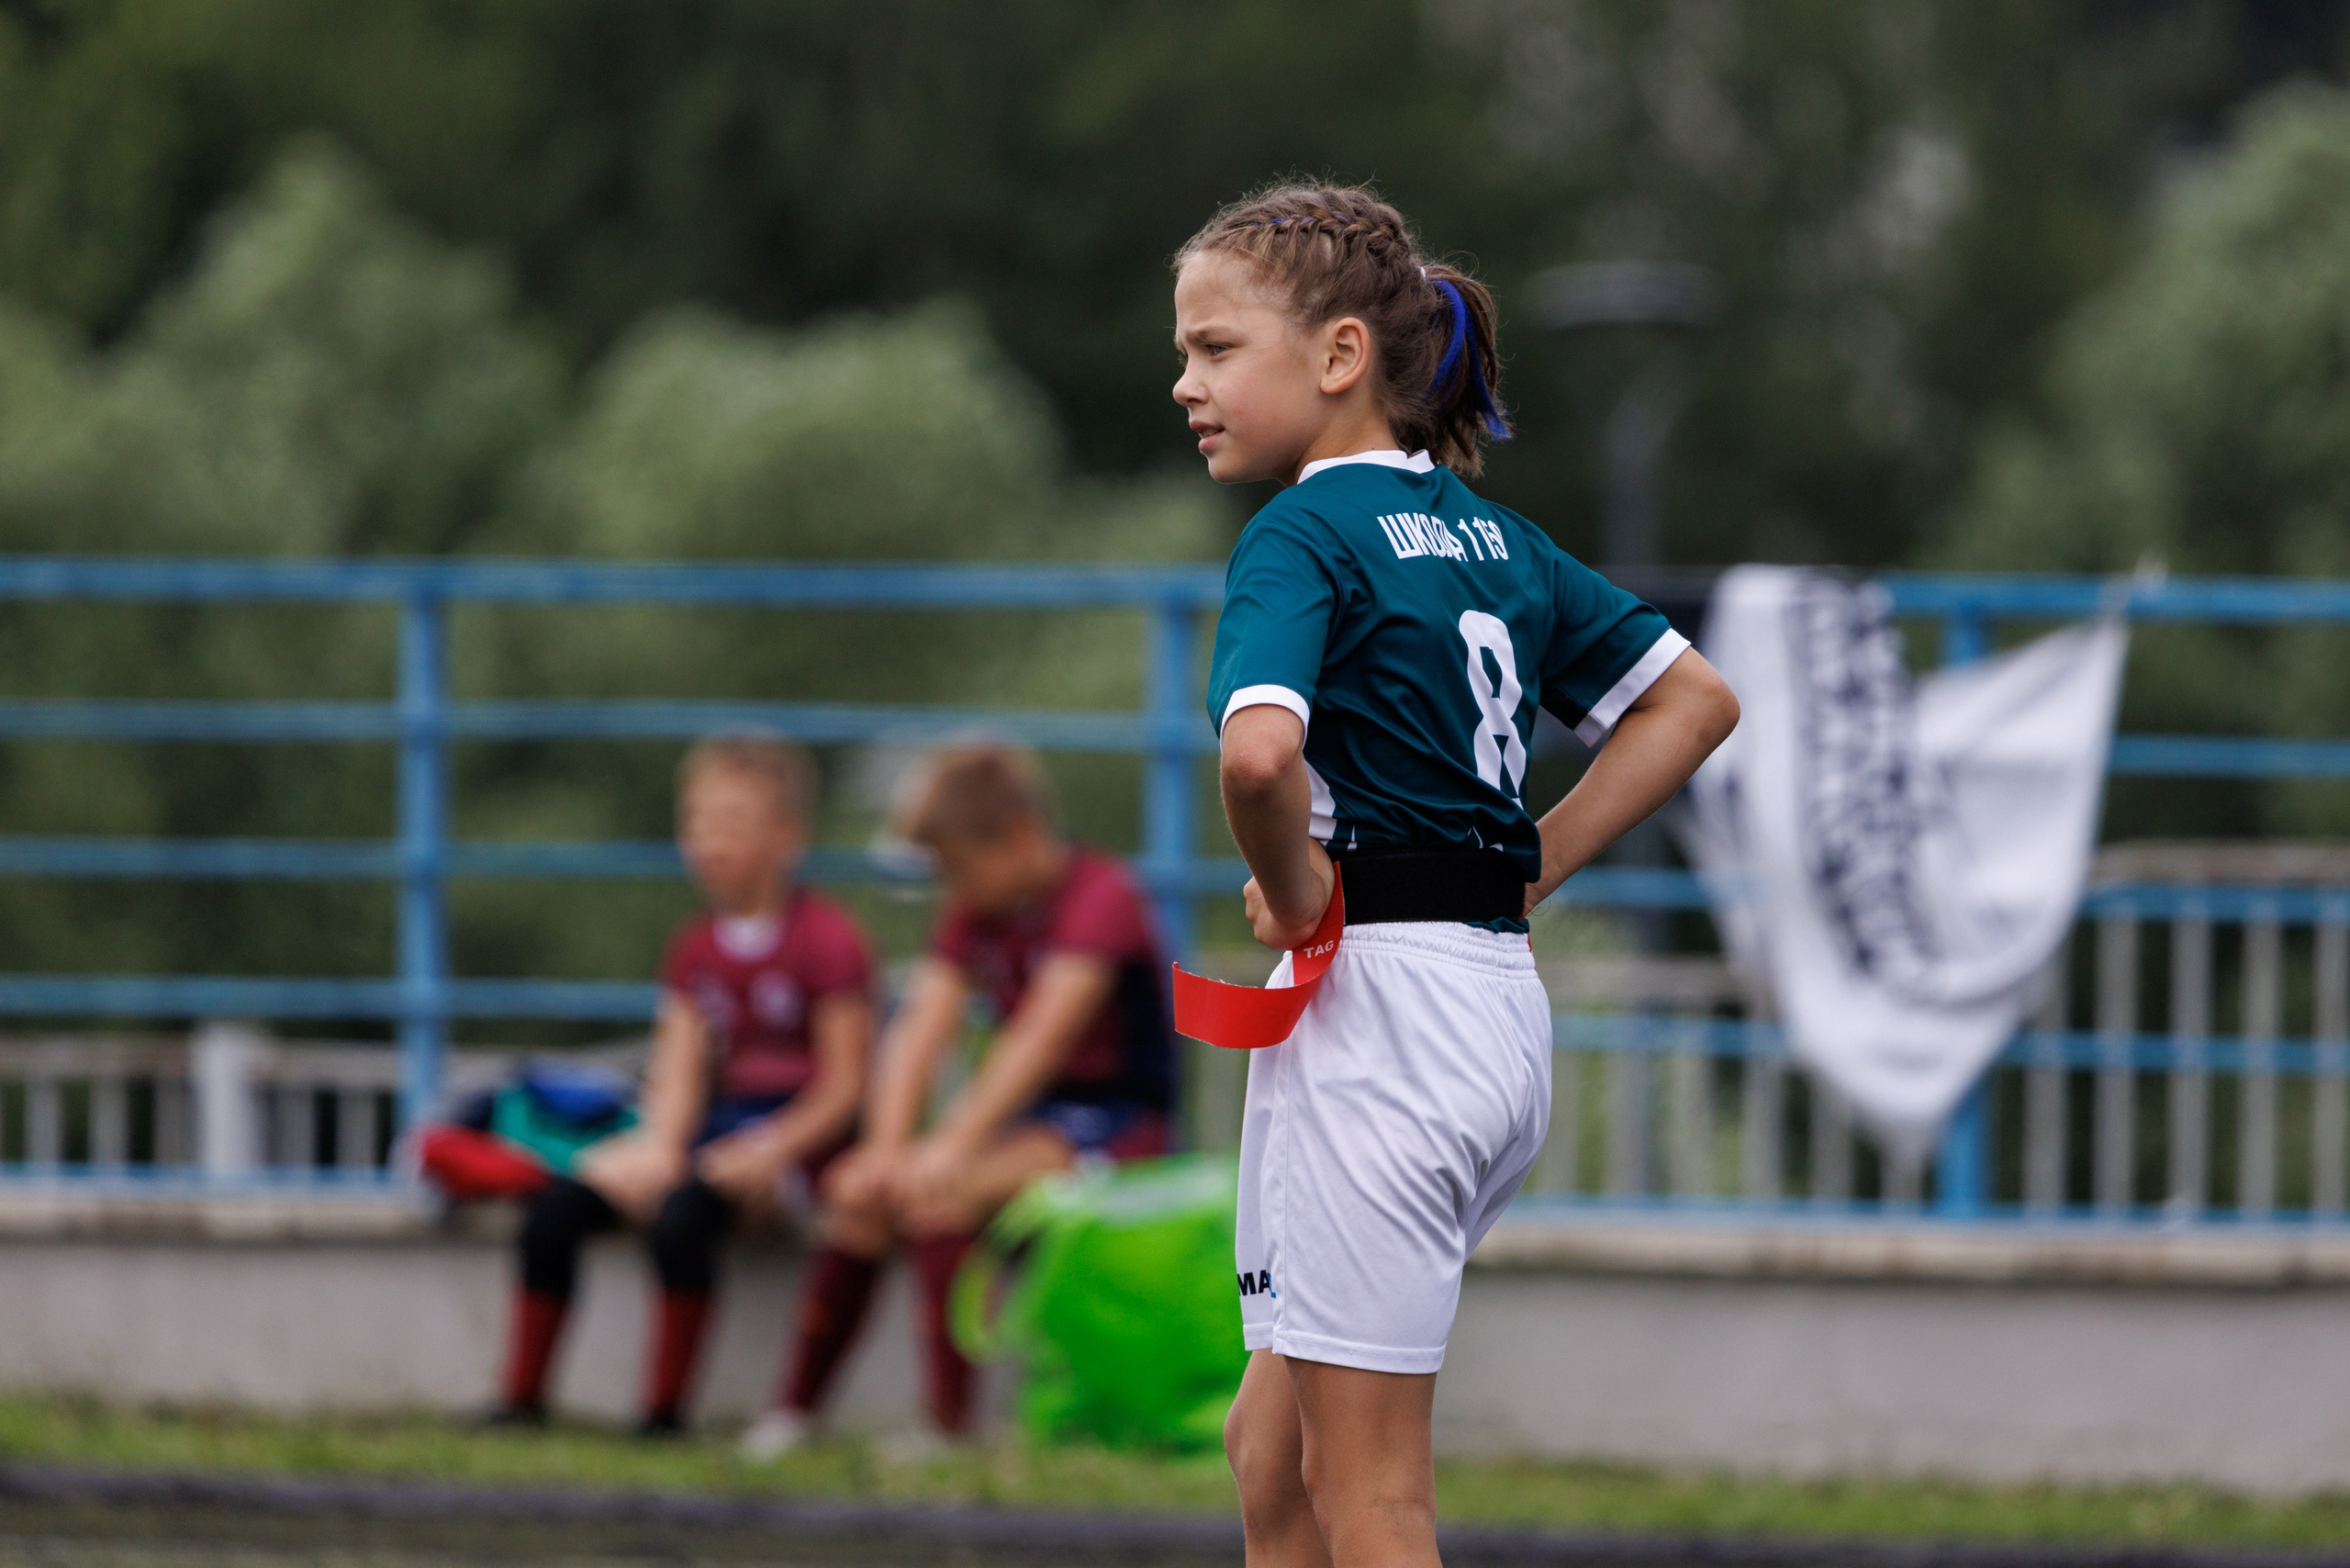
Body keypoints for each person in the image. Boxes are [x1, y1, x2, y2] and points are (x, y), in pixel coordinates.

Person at [1173, 185, 1740, 1568]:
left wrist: (1301, 888)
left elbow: (1257, 765)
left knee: (1373, 1503)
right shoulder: (1497, 538)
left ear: (1342, 355)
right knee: (1274, 1454)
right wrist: (1530, 860)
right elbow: (1694, 702)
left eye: (1215, 347)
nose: (1185, 382)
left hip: (1379, 1030)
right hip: (1493, 1012)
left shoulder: (1302, 537)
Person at [487, 735, 878, 1439]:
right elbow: (681, 1064)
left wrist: (770, 1148)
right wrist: (659, 1146)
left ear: (787, 835)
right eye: (695, 822)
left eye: (731, 822)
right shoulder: (693, 948)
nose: (708, 841)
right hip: (714, 1132)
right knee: (556, 1212)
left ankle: (663, 1416)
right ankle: (520, 1403)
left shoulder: (830, 940)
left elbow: (845, 1086)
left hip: (793, 1144)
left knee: (681, 1220)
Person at [787, 742, 1175, 1447]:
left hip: (1122, 1125)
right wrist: (884, 1149)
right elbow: (917, 1032)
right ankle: (790, 1416)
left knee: (941, 1190)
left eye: (956, 868)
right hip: (1035, 1124)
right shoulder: (976, 910)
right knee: (861, 1197)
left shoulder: (1102, 897)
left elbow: (1040, 1040)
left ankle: (946, 1428)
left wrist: (950, 1147)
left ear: (1019, 835)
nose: (950, 889)